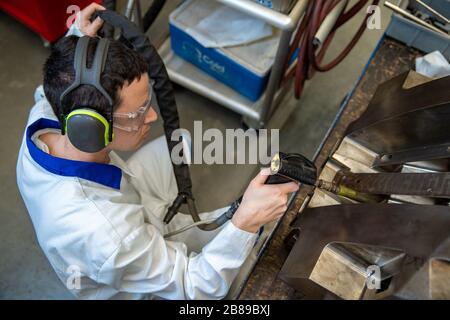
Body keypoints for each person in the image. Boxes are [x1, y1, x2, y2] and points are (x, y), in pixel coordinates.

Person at [16, 3, 298, 299]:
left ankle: (180, 227)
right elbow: (195, 287)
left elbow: (52, 89)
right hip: (125, 267)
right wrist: (245, 225)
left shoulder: (46, 118)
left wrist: (79, 40)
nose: (152, 116)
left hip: (121, 197)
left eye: (148, 100)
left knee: (180, 144)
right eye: (138, 112)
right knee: (243, 258)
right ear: (90, 128)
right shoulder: (106, 233)